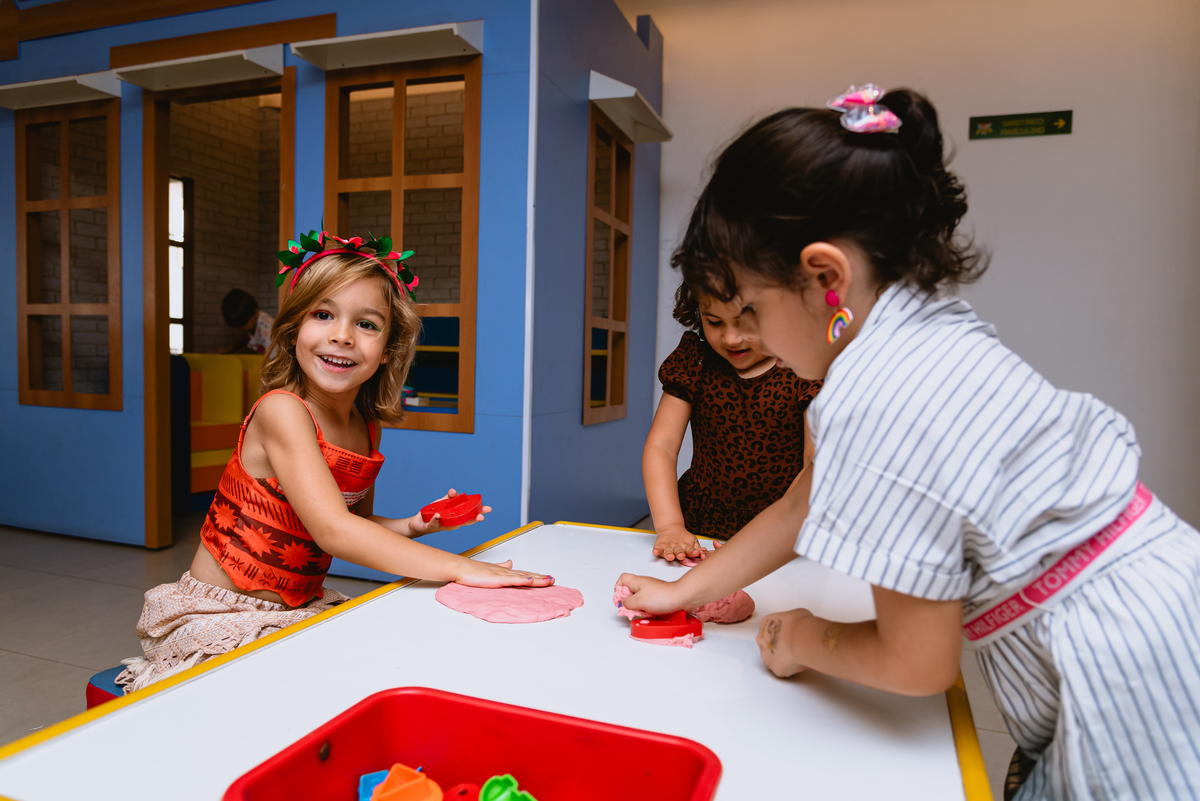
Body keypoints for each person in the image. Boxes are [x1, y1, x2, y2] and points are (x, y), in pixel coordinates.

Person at [617, 87, 1200, 800]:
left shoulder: (879, 393)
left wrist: (797, 636)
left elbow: (917, 662)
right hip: (1160, 602)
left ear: (827, 277)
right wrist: (685, 590)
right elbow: (804, 501)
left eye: (754, 308)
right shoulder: (921, 326)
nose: (752, 337)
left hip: (1131, 666)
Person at [119, 233, 552, 692]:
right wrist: (461, 567)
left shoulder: (366, 427)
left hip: (294, 610)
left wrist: (413, 525)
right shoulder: (283, 411)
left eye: (366, 324)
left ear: (388, 350)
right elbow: (334, 532)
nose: (342, 335)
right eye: (323, 315)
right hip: (224, 616)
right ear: (293, 330)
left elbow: (353, 522)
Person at [643, 278, 820, 561]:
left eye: (746, 323)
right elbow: (661, 447)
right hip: (700, 525)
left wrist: (770, 537)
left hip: (783, 532)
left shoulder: (806, 368)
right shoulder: (695, 362)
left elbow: (815, 462)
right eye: (715, 322)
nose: (731, 338)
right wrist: (670, 526)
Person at [221, 287, 273, 353]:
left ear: (256, 312)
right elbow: (246, 337)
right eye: (237, 326)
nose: (240, 329)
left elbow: (275, 355)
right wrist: (230, 349)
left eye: (242, 324)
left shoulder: (267, 329)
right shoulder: (254, 321)